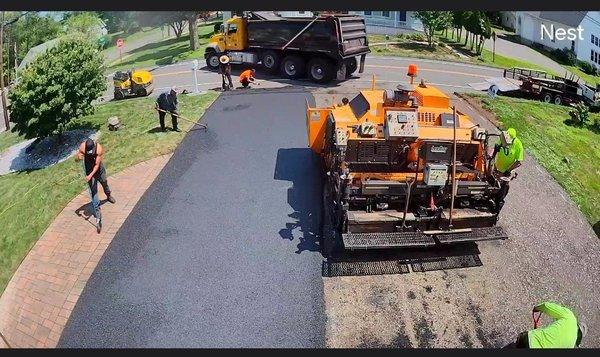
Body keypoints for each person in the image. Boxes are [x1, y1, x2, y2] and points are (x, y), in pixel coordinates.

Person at [76, 138, 116, 233]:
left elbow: (97, 165)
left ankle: (108, 195)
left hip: (98, 170)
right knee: (94, 192)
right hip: (89, 170)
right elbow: (76, 159)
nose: (89, 152)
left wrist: (90, 175)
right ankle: (98, 215)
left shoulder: (99, 149)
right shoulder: (82, 147)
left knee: (104, 183)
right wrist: (78, 157)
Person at [507, 302, 586, 348]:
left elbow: (546, 306)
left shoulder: (570, 317)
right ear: (579, 338)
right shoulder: (571, 346)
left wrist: (537, 308)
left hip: (528, 339)